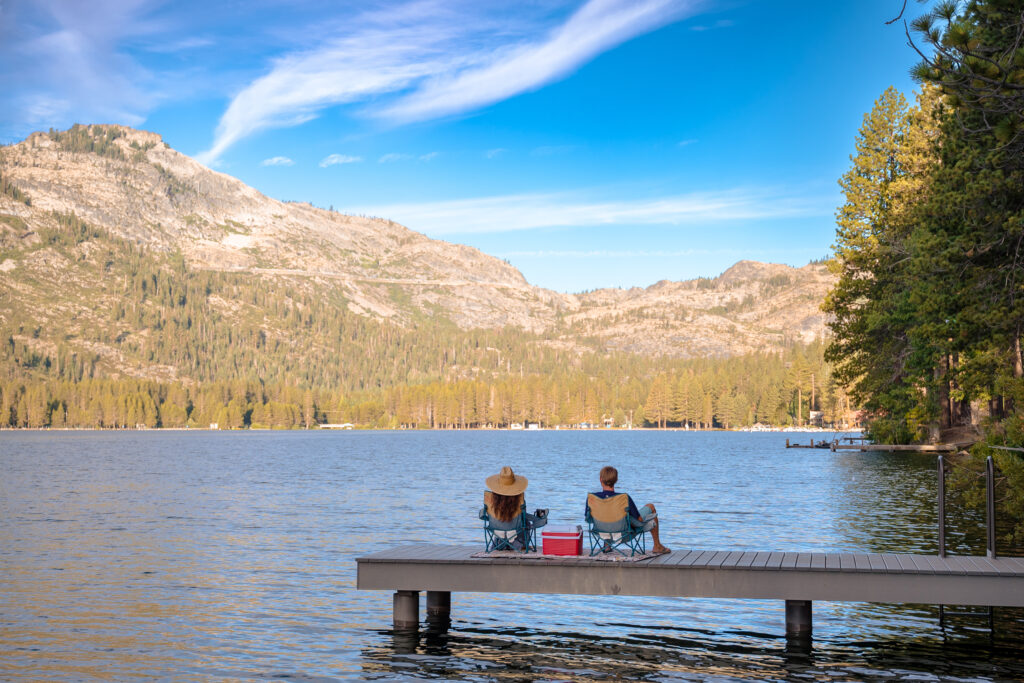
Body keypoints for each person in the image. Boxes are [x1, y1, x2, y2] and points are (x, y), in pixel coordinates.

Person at [586, 465, 669, 554]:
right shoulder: (623, 498)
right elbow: (639, 520)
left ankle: (606, 546)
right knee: (650, 506)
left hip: (600, 533)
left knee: (606, 516)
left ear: (600, 479)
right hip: (624, 534)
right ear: (616, 480)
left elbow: (589, 519)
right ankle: (657, 546)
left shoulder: (592, 498)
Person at [481, 466, 547, 550]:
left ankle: (501, 543)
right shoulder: (519, 501)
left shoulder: (490, 502)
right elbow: (523, 515)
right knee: (525, 522)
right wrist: (537, 519)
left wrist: (488, 517)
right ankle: (519, 544)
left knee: (503, 524)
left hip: (498, 534)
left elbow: (482, 515)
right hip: (516, 535)